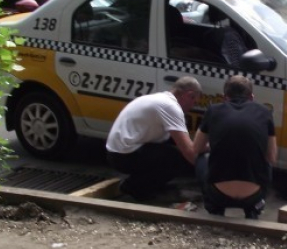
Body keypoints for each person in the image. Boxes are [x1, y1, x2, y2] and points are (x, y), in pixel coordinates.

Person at [193, 75, 277, 219]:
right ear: (251, 97)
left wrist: (215, 146)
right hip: (254, 195)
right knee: (266, 162)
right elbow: (272, 157)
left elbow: (195, 149)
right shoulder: (265, 112)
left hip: (219, 194)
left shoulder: (213, 110)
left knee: (201, 158)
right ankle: (254, 208)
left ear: (225, 97)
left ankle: (214, 207)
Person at [106, 76, 202, 200]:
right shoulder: (170, 107)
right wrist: (211, 176)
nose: (192, 107)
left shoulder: (160, 99)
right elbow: (188, 151)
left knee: (174, 147)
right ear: (189, 95)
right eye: (194, 102)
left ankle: (152, 185)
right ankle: (134, 187)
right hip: (122, 156)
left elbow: (186, 143)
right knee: (176, 159)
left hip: (118, 151)